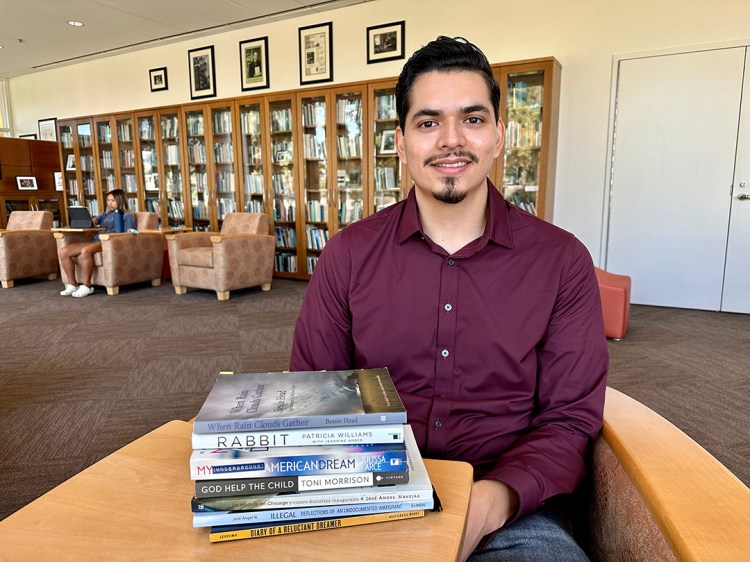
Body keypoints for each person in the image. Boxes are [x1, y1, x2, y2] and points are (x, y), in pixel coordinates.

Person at [290, 36, 608, 561]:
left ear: (500, 136)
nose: (451, 140)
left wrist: (487, 503)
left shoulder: (561, 260)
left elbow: (570, 418)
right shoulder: (348, 253)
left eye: (473, 119)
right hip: (365, 491)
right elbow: (315, 393)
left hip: (508, 511)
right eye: (429, 121)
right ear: (402, 140)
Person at [58, 188, 135, 298]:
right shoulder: (106, 214)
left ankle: (87, 286)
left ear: (120, 201)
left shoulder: (127, 215)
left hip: (108, 242)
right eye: (108, 200)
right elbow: (95, 220)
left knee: (86, 251)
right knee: (64, 252)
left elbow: (129, 234)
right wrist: (88, 220)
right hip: (95, 240)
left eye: (113, 200)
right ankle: (72, 284)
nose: (110, 203)